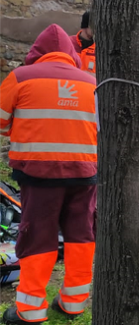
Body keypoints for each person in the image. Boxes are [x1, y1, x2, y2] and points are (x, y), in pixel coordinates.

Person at [1, 24, 97, 324]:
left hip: (39, 176)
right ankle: (73, 303)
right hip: (84, 173)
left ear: (36, 52)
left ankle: (30, 310)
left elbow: (1, 122)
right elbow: (98, 129)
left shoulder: (20, 77)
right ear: (71, 53)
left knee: (37, 238)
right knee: (81, 236)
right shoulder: (91, 82)